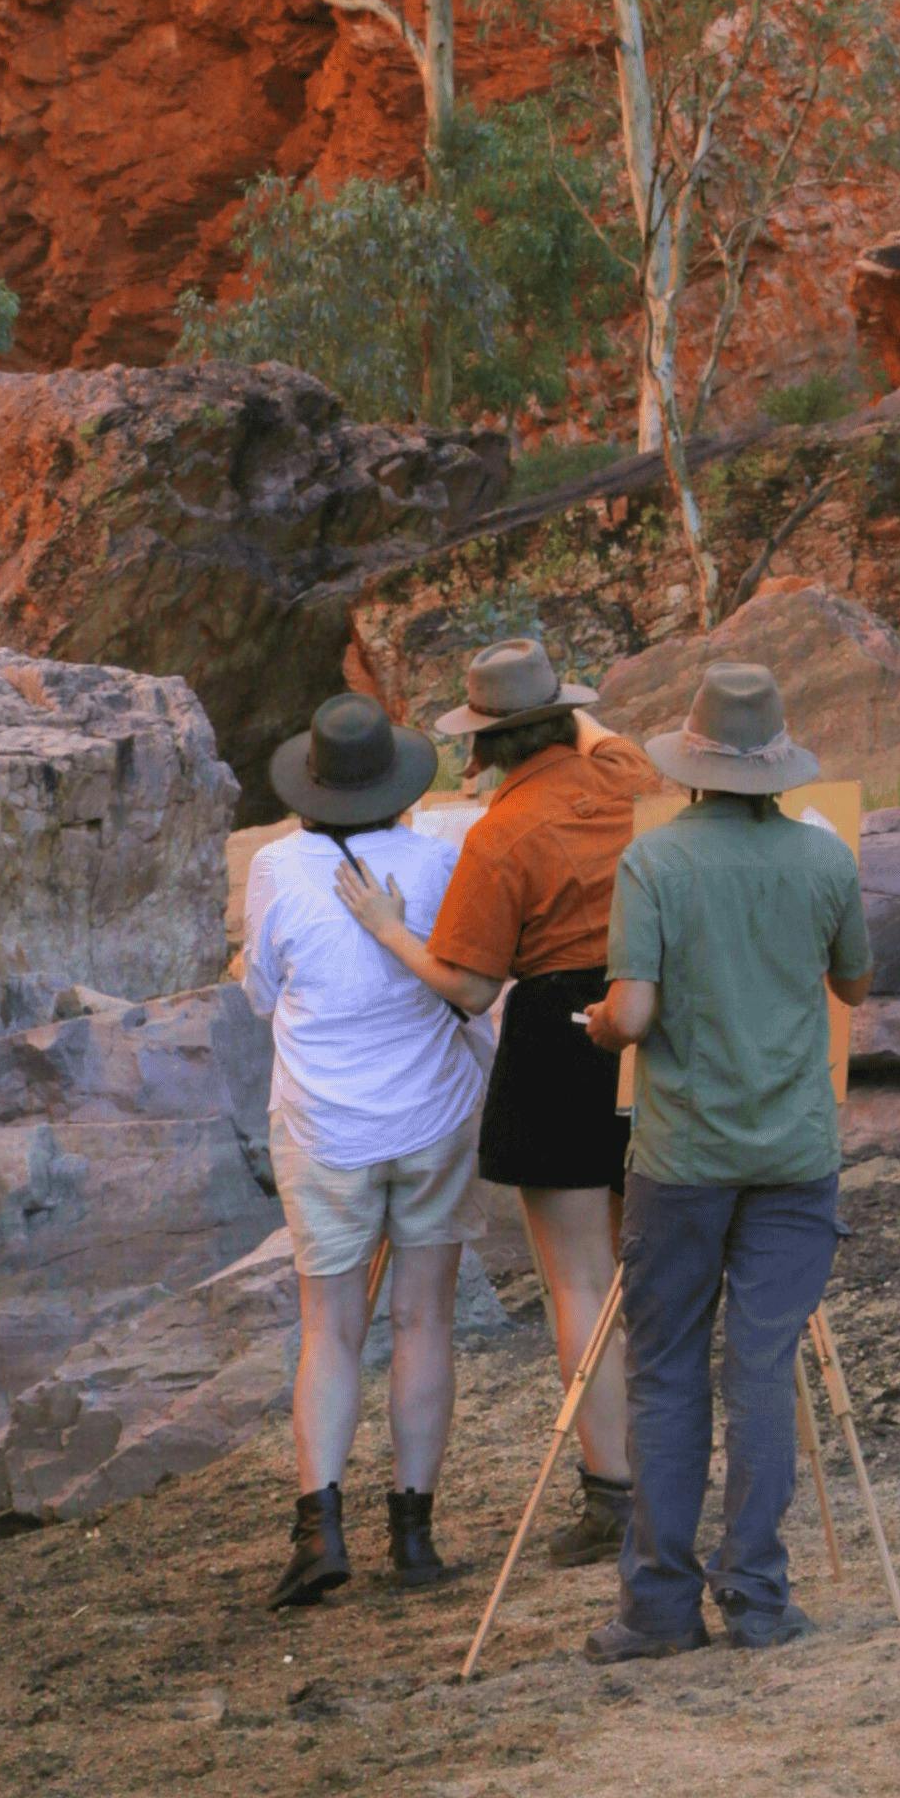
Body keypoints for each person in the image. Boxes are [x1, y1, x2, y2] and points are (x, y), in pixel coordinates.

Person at [337, 638, 657, 1569]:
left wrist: (393, 933)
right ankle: (671, 1466)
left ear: (483, 746)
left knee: (582, 1283)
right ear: (566, 718)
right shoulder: (631, 775)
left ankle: (612, 1495)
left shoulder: (500, 834)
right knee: (657, 1270)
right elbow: (603, 734)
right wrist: (556, 705)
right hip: (652, 1023)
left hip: (561, 1040)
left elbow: (471, 988)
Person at [580, 661, 872, 1659]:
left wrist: (592, 1028)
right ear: (778, 762)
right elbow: (856, 982)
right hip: (793, 1152)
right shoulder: (823, 861)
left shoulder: (653, 863)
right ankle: (755, 1598)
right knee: (759, 1372)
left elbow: (630, 1014)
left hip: (682, 1155)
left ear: (692, 763)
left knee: (663, 1377)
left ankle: (660, 1609)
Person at [240, 693, 492, 1610]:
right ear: (397, 784)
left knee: (330, 1330)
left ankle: (319, 1531)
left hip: (324, 1129)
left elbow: (261, 996)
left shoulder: (274, 867)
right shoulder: (437, 857)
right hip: (433, 1117)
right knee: (425, 1322)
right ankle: (415, 1538)